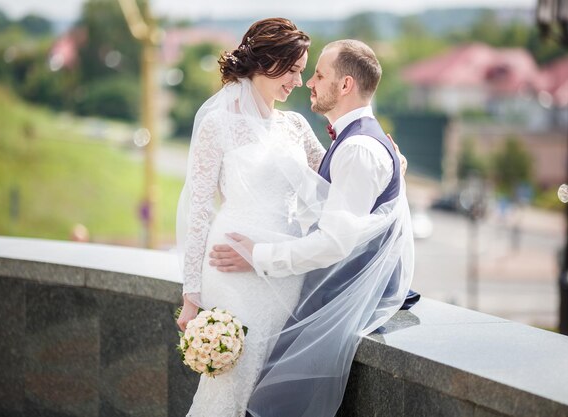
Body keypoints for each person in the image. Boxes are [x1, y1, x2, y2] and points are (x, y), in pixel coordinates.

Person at [208, 40, 417, 417]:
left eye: (319, 74)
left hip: (340, 296)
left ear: (346, 85)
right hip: (325, 288)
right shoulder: (361, 143)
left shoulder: (358, 150)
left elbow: (335, 243)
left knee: (269, 405)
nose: (309, 83)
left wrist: (258, 255)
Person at [174, 18, 320, 417]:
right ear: (266, 62)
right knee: (231, 384)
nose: (297, 80)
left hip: (285, 270)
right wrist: (191, 295)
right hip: (232, 272)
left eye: (302, 71)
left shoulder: (295, 126)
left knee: (269, 388)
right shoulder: (218, 125)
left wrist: (386, 159)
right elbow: (200, 210)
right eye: (291, 70)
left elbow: (334, 177)